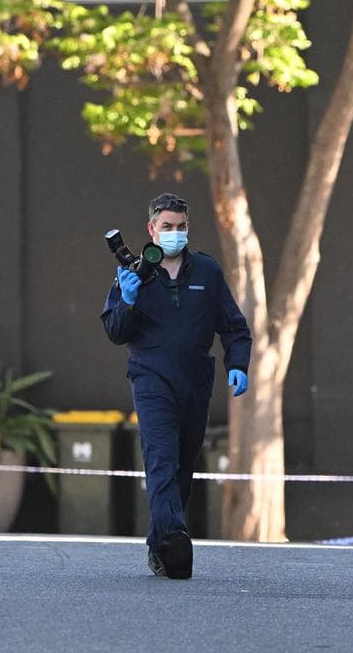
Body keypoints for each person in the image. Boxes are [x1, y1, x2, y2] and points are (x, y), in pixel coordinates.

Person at [100, 192, 252, 579]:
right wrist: (129, 299)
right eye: (167, 227)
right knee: (162, 461)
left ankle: (160, 544)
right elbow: (116, 331)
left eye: (181, 227)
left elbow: (233, 326)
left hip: (195, 379)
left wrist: (238, 364)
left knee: (183, 467)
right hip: (151, 378)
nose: (174, 233)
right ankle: (176, 541)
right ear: (152, 229)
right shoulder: (133, 273)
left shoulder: (206, 271)